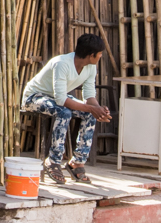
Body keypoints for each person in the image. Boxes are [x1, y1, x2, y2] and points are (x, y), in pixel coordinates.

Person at [20, 34, 112, 185]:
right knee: (64, 112)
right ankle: (53, 161)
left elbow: (89, 95)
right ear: (91, 55)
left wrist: (99, 109)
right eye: (100, 54)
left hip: (56, 99)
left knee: (89, 115)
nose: (101, 56)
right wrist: (91, 108)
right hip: (34, 98)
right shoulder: (62, 63)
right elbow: (61, 100)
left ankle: (77, 163)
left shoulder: (90, 67)